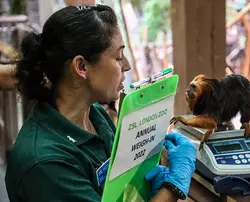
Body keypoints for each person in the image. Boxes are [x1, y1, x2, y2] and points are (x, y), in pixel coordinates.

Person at [5, 5, 197, 202]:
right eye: (118, 57)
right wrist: (174, 186)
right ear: (81, 66)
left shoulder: (95, 116)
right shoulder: (46, 162)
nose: (127, 66)